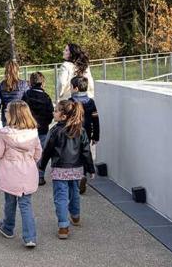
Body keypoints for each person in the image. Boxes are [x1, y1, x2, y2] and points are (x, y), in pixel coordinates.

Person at [0, 100, 42, 248]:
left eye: (6, 111)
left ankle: (8, 227)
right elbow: (38, 153)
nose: (4, 113)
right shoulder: (33, 132)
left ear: (13, 115)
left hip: (10, 175)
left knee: (10, 202)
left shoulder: (4, 134)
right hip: (28, 174)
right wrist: (29, 162)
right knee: (26, 205)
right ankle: (30, 237)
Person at [39, 100, 95, 240]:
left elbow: (47, 151)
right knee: (74, 192)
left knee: (61, 197)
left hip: (60, 169)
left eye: (56, 111)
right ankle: (75, 216)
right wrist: (90, 168)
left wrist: (41, 166)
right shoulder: (80, 130)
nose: (54, 113)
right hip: (76, 168)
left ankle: (63, 226)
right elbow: (86, 151)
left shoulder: (55, 131)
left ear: (63, 116)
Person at [22, 71, 54, 186]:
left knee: (28, 152)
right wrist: (45, 123)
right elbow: (51, 113)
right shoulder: (46, 97)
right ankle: (40, 176)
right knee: (41, 153)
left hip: (28, 129)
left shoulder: (26, 95)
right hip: (43, 129)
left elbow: (22, 112)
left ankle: (29, 175)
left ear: (30, 82)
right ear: (42, 83)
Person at [70, 76, 100, 195]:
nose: (70, 88)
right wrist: (96, 136)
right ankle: (83, 174)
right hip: (86, 131)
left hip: (73, 133)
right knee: (86, 152)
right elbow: (95, 119)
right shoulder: (91, 102)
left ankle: (75, 177)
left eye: (71, 86)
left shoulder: (71, 102)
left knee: (74, 154)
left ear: (76, 88)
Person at [0, 60, 29, 128]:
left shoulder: (0, 86)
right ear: (17, 71)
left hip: (6, 117)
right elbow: (28, 101)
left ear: (6, 72)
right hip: (21, 116)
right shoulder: (24, 84)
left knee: (8, 136)